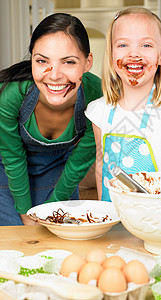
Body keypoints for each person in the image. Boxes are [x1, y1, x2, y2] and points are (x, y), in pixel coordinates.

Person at [85, 7, 161, 201]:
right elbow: (100, 165)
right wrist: (103, 210)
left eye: (146, 45)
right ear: (112, 56)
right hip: (115, 214)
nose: (134, 54)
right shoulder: (99, 111)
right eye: (123, 45)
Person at [0, 13, 102, 226]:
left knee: (59, 238)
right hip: (9, 173)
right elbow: (12, 157)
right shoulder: (10, 95)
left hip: (61, 172)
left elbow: (78, 163)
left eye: (69, 62)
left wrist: (52, 210)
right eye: (42, 61)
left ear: (87, 62)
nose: (54, 75)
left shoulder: (98, 97)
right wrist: (26, 214)